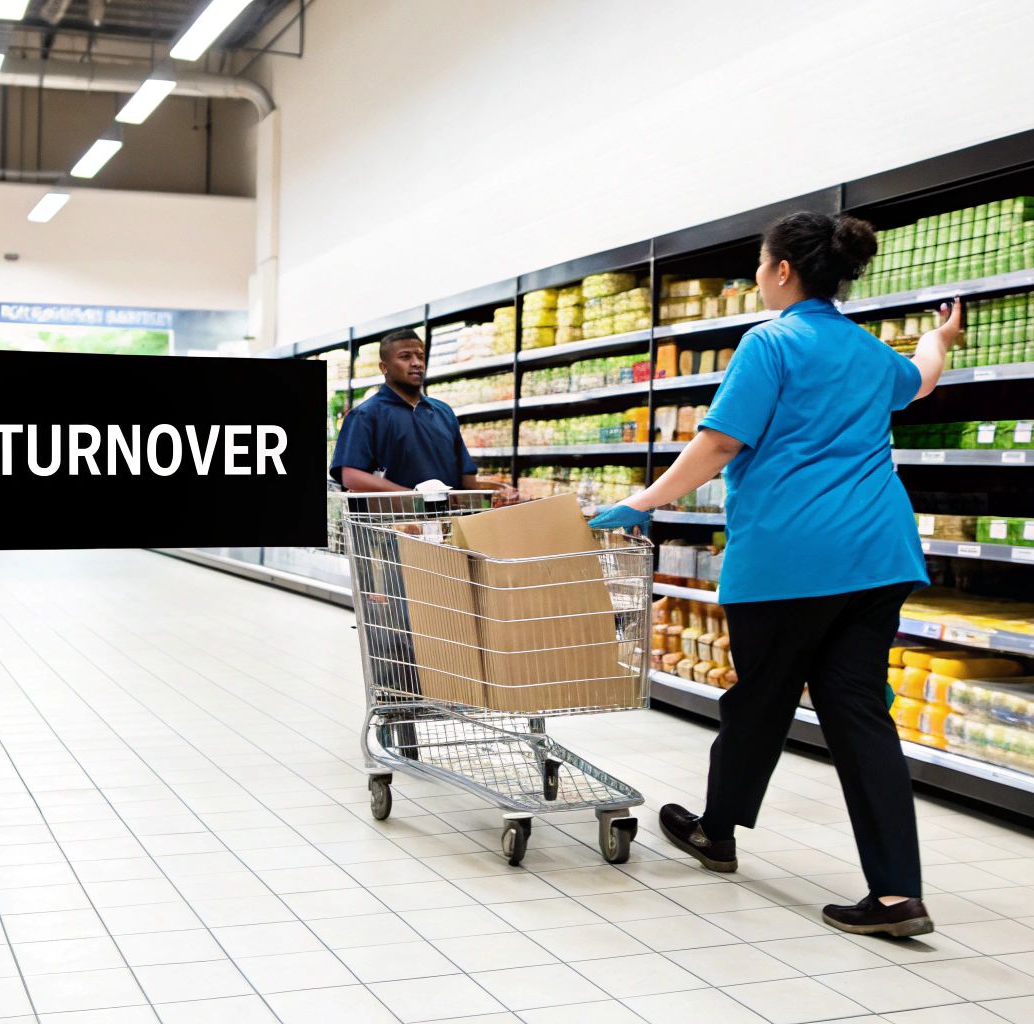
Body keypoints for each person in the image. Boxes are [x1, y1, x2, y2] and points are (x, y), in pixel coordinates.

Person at [588, 211, 961, 938]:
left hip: (793, 559)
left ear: (783, 271)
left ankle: (716, 832)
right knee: (858, 713)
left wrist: (641, 502)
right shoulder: (864, 349)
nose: (758, 277)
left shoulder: (772, 342)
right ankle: (896, 894)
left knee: (760, 699)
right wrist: (936, 338)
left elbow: (721, 441)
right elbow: (919, 382)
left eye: (760, 265)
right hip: (877, 555)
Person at [331, 329, 508, 495]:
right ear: (384, 368)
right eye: (405, 357)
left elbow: (466, 478)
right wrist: (412, 498)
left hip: (448, 521)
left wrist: (497, 490)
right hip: (395, 523)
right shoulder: (365, 415)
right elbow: (351, 476)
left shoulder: (443, 412)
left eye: (420, 356)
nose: (416, 363)